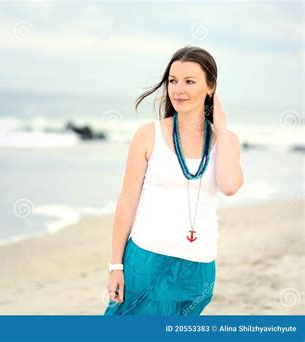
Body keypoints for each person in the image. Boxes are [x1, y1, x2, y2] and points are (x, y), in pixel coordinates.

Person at [103, 46, 244, 315]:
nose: (178, 89)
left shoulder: (226, 140)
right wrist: (115, 266)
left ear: (210, 87)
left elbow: (229, 186)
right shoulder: (148, 134)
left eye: (190, 81)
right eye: (173, 80)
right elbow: (127, 199)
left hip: (199, 267)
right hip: (146, 258)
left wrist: (223, 131)